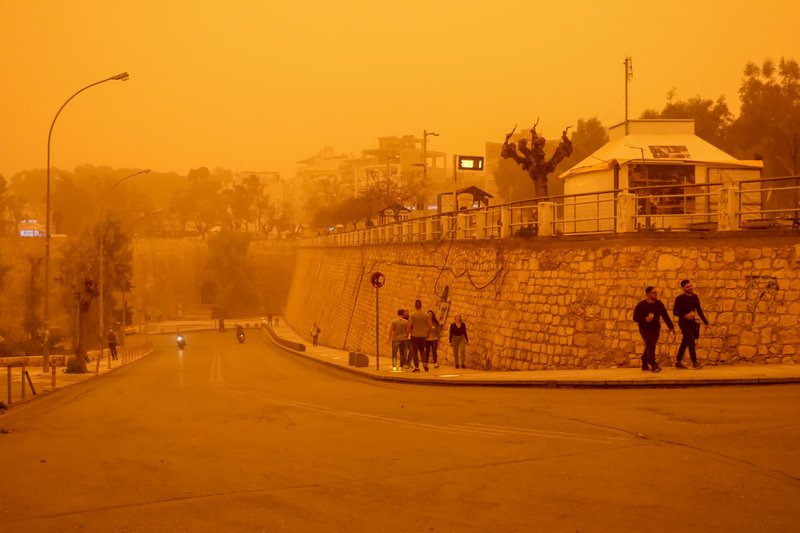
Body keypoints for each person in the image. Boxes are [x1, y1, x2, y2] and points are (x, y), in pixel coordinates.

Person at [632, 286, 675, 373]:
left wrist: (671, 327)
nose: (656, 294)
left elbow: (665, 316)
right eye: (653, 292)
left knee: (649, 345)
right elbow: (635, 317)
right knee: (651, 345)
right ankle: (653, 365)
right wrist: (645, 319)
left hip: (655, 328)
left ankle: (644, 363)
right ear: (648, 294)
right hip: (644, 328)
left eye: (656, 292)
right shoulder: (641, 305)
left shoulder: (659, 304)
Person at [673, 279, 709, 369]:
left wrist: (706, 322)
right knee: (691, 341)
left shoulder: (695, 297)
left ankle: (678, 362)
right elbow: (675, 312)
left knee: (685, 342)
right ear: (683, 288)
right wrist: (685, 316)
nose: (690, 288)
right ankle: (695, 362)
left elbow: (699, 310)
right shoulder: (679, 298)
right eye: (687, 287)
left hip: (692, 323)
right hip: (683, 323)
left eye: (690, 286)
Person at [406, 300, 432, 372]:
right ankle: (424, 364)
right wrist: (428, 334)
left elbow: (409, 325)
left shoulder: (412, 315)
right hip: (423, 336)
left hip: (414, 335)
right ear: (421, 305)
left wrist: (407, 334)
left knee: (415, 352)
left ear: (415, 306)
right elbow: (430, 326)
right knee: (422, 350)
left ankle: (417, 367)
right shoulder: (426, 315)